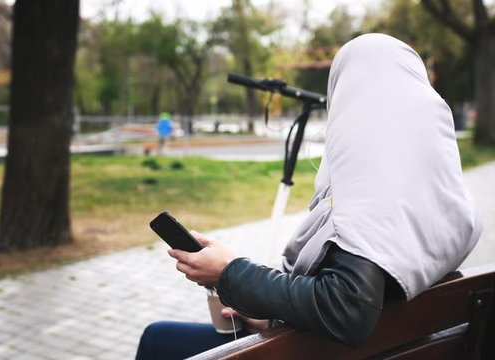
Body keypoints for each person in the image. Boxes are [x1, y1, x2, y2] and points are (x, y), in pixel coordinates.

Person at [135, 33, 482, 359]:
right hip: (379, 345)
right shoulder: (441, 203)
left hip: (315, 351)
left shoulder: (370, 201)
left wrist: (228, 272)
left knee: (157, 338)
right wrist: (263, 313)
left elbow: (346, 308)